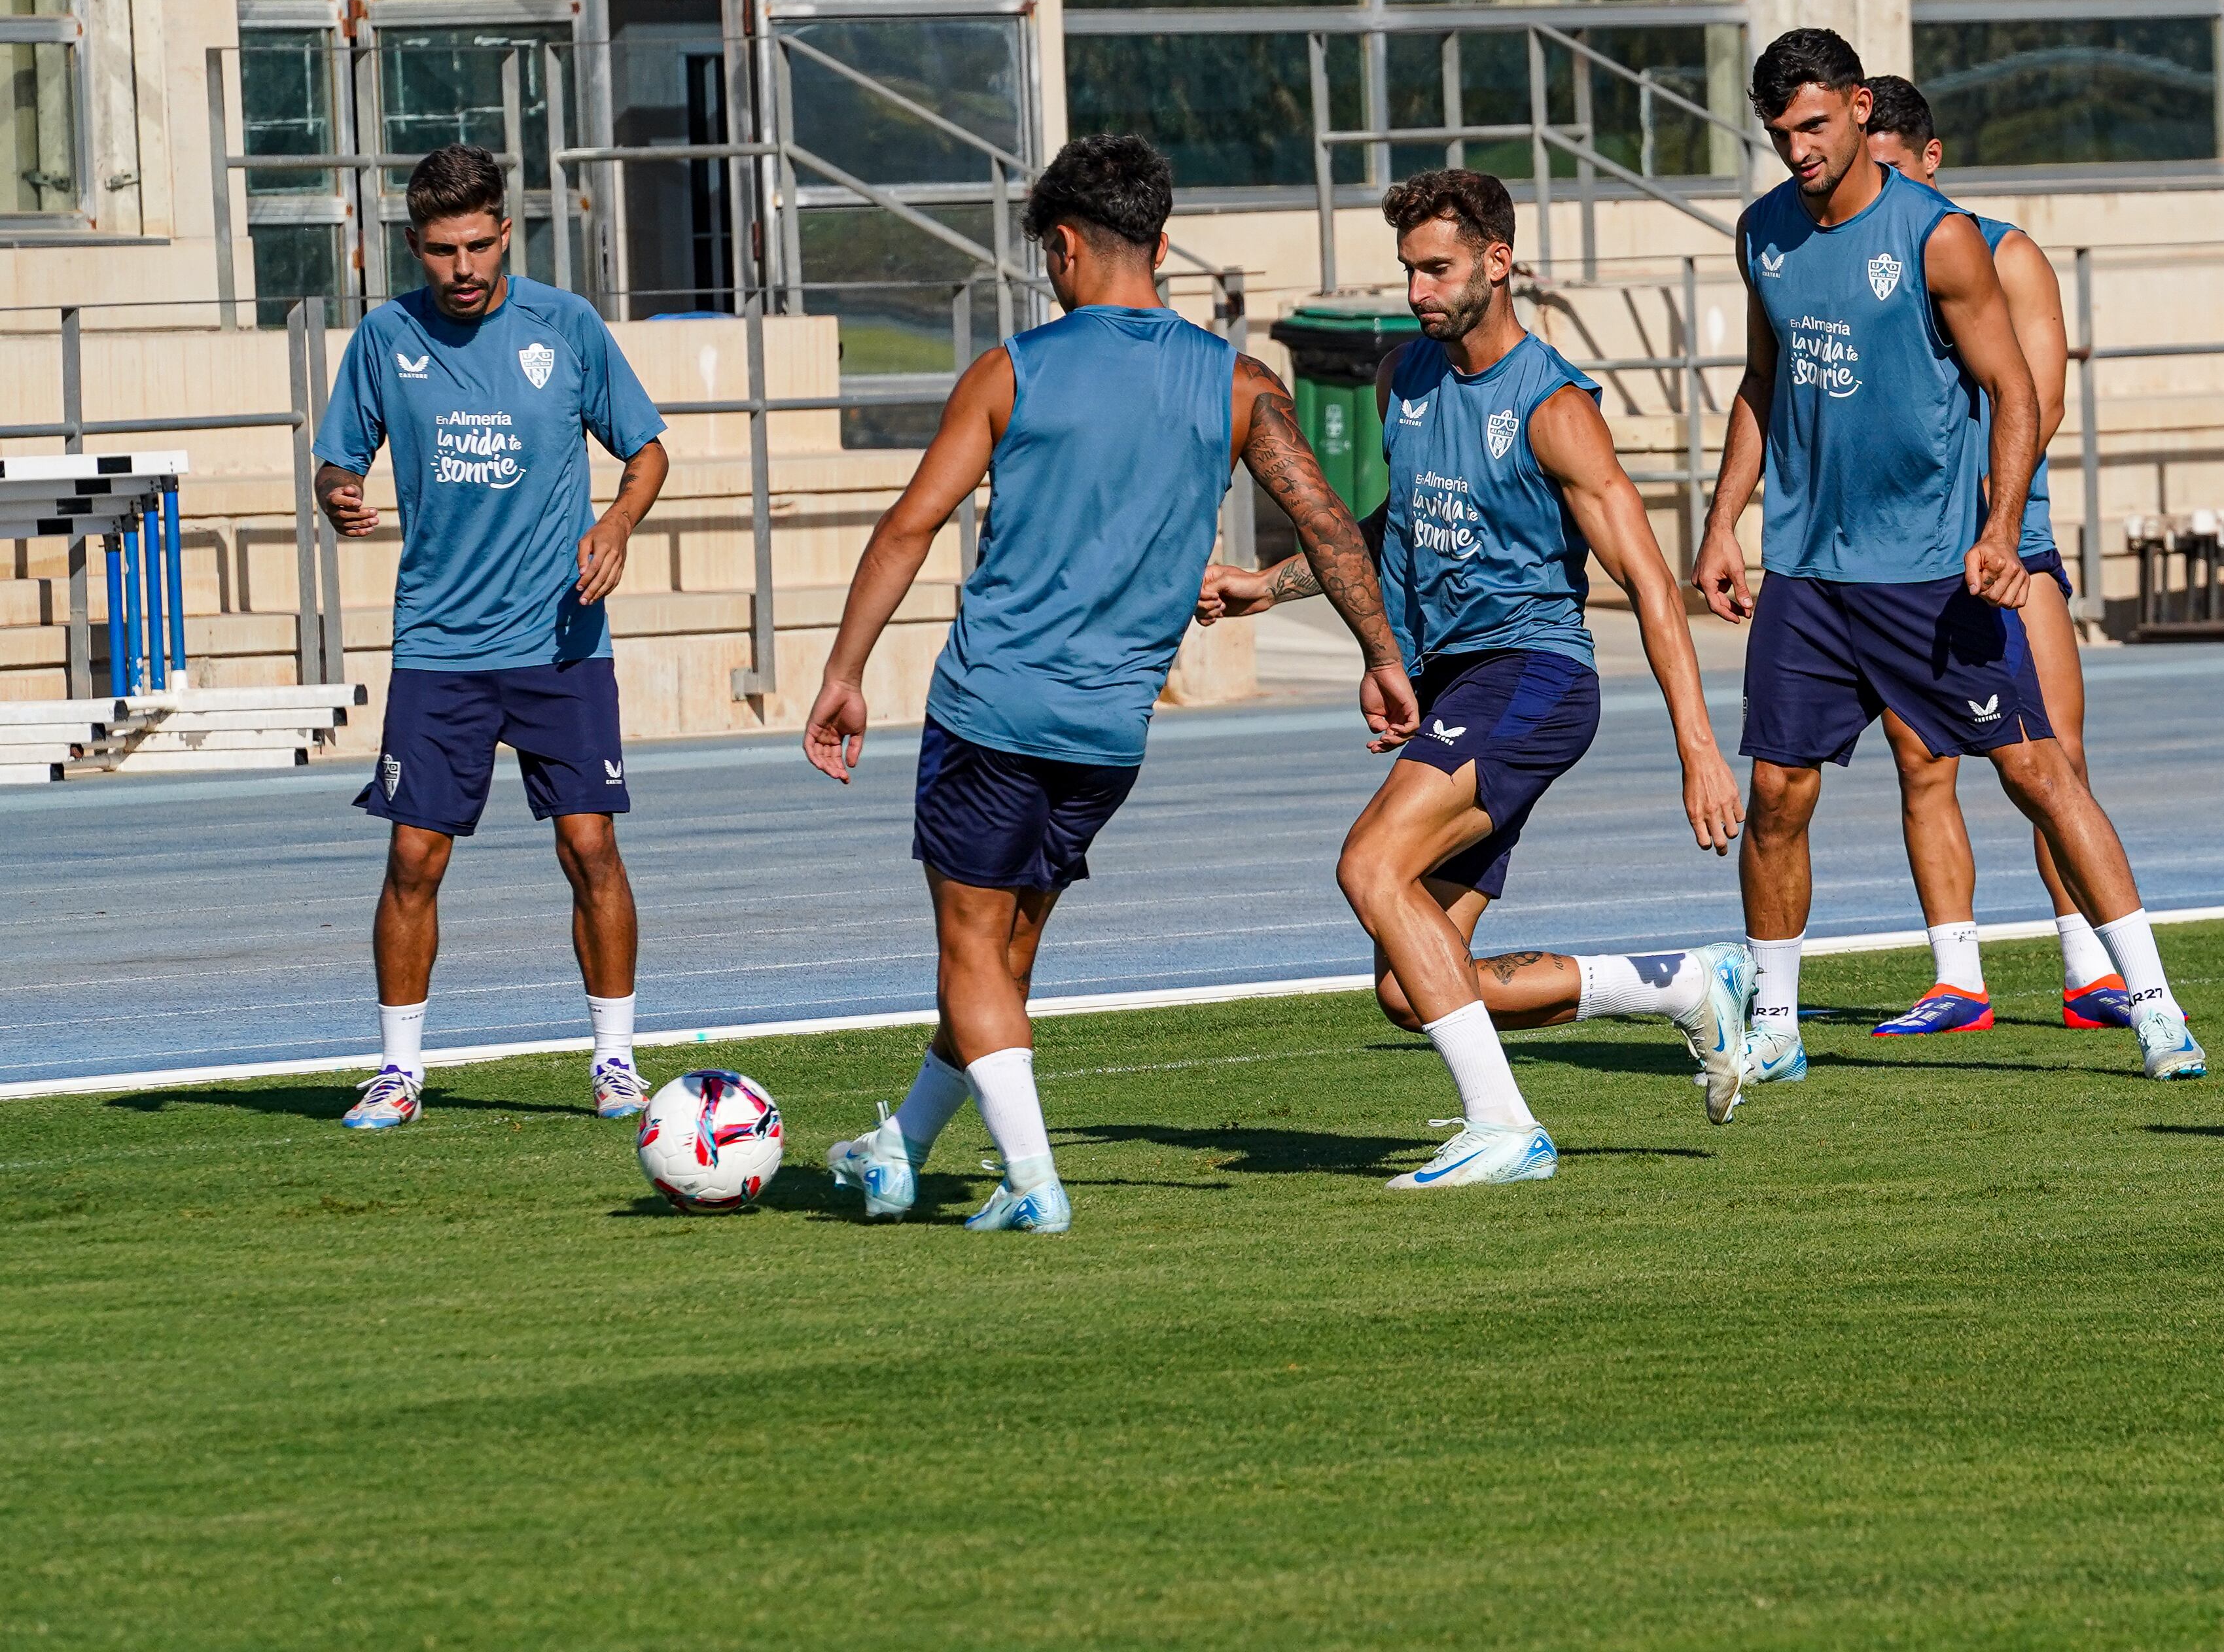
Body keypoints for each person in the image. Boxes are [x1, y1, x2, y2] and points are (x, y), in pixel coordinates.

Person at [805, 135, 1415, 1234]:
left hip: (992, 711)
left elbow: (909, 526)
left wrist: (844, 673)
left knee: (969, 951)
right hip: (1107, 736)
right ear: (1165, 242)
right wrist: (1379, 657)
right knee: (1004, 954)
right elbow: (1330, 528)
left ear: (1067, 245)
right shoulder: (1240, 384)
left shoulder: (1014, 370)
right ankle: (900, 1149)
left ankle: (1034, 1182)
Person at [1201, 169, 1753, 1184]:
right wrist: (1267, 586)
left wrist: (1701, 750)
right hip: (1462, 687)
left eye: (1437, 268)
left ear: (1498, 265)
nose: (1417, 289)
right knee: (1415, 989)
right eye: (1408, 269)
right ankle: (1683, 986)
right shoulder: (1400, 378)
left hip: (1536, 677)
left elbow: (1647, 581)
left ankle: (1505, 1128)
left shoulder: (1554, 407)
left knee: (1370, 867)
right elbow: (1387, 531)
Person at [1693, 29, 2206, 1084]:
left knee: (2038, 772)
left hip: (1928, 571)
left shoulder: (1940, 238)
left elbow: (2016, 391)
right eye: (1781, 134)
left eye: (1816, 127)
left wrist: (1998, 529)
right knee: (1780, 796)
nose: (1799, 152)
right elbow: (1761, 382)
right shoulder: (1764, 236)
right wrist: (1720, 523)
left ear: (1860, 106)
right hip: (1807, 575)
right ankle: (1778, 1027)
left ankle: (2155, 1004)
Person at [313, 141, 671, 1130]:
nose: (463, 269)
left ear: (507, 231)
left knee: (590, 845)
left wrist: (616, 524)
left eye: (478, 245)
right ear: (414, 247)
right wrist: (340, 495)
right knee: (414, 859)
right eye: (440, 250)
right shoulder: (386, 340)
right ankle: (397, 1072)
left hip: (562, 643)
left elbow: (646, 452)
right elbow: (335, 465)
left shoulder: (568, 326)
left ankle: (614, 1061)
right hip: (439, 645)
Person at [1852, 76, 2145, 1038]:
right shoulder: (1848, 259)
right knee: (1921, 757)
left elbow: (2041, 399)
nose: (1877, 187)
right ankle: (1957, 978)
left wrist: (1991, 516)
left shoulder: (2003, 254)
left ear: (1929, 160)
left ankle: (2087, 968)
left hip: (2004, 535)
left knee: (2053, 752)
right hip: (1899, 551)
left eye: (1890, 167)